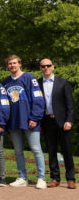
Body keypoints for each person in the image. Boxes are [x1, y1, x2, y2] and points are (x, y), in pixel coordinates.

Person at [3, 55, 46, 189]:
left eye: (14, 63)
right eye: (10, 64)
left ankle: (41, 178)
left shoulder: (29, 78)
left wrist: (35, 117)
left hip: (29, 120)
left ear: (20, 64)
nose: (12, 66)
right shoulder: (6, 82)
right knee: (18, 151)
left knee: (36, 149)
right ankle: (22, 177)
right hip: (14, 121)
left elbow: (38, 99)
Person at [38, 59, 75, 189]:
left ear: (53, 67)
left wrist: (69, 120)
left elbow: (70, 104)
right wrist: (39, 124)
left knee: (67, 150)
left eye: (48, 65)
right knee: (52, 151)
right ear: (40, 68)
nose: (46, 68)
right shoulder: (37, 83)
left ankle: (71, 178)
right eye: (43, 66)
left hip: (62, 121)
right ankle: (55, 178)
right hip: (47, 121)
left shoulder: (63, 83)